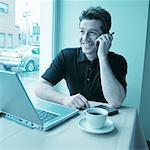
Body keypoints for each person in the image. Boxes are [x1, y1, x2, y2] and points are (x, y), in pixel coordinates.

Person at [35, 6, 127, 109]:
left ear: (105, 37)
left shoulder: (118, 61)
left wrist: (102, 56)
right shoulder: (66, 56)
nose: (85, 38)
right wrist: (64, 99)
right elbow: (40, 88)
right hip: (75, 115)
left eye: (92, 32)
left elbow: (115, 102)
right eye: (82, 31)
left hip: (106, 118)